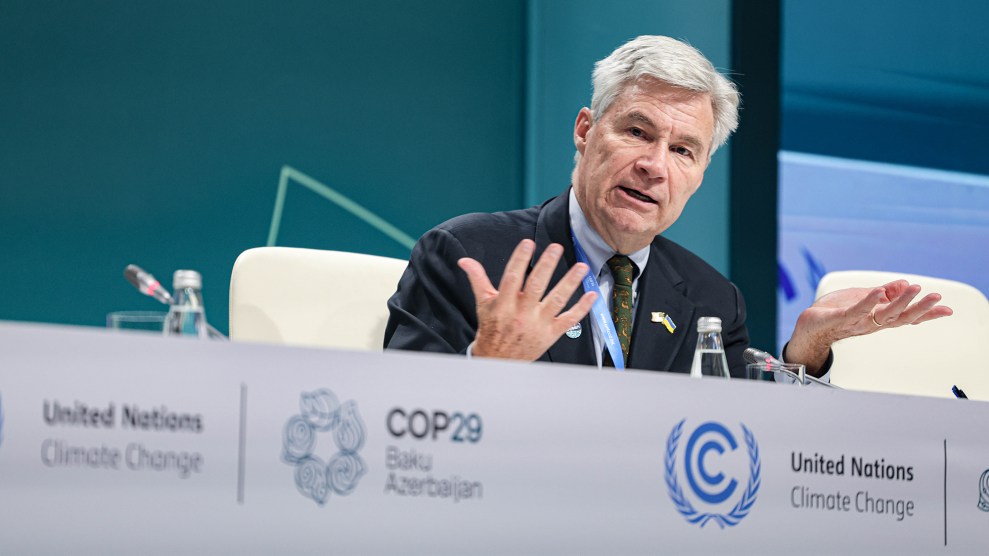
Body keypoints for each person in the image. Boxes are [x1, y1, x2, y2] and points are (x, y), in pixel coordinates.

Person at [383, 35, 951, 377]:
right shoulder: (469, 254)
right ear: (585, 131)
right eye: (636, 131)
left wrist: (805, 352)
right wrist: (489, 368)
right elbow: (395, 422)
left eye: (683, 150)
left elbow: (744, 439)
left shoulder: (712, 298)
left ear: (700, 174)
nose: (655, 165)